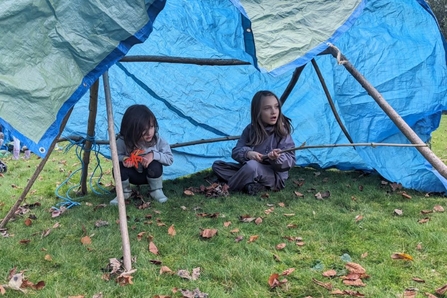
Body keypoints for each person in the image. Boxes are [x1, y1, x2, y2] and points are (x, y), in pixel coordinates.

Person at [212, 90, 296, 195]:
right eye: (267, 108)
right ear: (257, 111)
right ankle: (251, 185)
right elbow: (236, 151)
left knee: (251, 166)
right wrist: (248, 153)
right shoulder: (250, 129)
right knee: (218, 165)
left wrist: (277, 158)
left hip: (273, 176)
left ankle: (227, 188)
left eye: (276, 107)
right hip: (250, 169)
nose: (274, 111)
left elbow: (290, 160)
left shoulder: (282, 132)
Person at [110, 104, 173, 205]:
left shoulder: (158, 140)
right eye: (143, 129)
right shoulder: (122, 141)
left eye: (151, 127)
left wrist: (153, 155)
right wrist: (124, 159)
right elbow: (115, 156)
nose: (149, 133)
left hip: (150, 174)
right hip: (132, 175)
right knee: (118, 167)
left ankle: (156, 191)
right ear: (131, 129)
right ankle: (123, 192)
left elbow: (169, 159)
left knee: (155, 164)